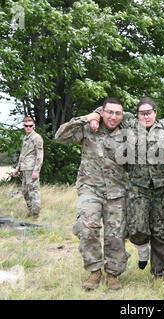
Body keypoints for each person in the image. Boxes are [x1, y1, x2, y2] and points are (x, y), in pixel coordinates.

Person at [55, 97, 129, 291]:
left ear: (122, 115)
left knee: (116, 234)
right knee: (88, 227)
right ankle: (95, 270)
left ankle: (113, 273)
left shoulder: (128, 132)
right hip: (90, 188)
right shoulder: (89, 128)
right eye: (109, 112)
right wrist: (87, 118)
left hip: (117, 191)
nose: (113, 116)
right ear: (102, 112)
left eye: (118, 113)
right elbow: (60, 136)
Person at [125, 97, 164, 279]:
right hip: (138, 186)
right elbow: (107, 110)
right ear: (137, 114)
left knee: (162, 232)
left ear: (155, 113)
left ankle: (160, 274)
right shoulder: (128, 125)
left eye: (149, 113)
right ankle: (143, 249)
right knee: (137, 229)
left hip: (162, 188)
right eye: (142, 113)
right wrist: (95, 116)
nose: (146, 116)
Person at [12, 116, 44, 219]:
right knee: (25, 191)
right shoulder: (26, 138)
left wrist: (36, 170)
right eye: (26, 126)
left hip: (32, 169)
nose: (28, 127)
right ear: (23, 126)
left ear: (33, 126)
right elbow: (22, 155)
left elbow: (40, 155)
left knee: (34, 192)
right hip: (25, 169)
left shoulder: (36, 137)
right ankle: (30, 211)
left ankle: (36, 216)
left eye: (30, 126)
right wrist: (17, 169)